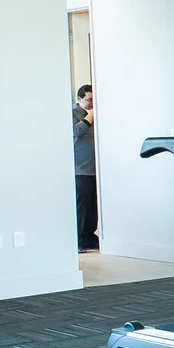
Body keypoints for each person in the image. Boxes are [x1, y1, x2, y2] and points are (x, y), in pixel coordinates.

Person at [73, 85, 99, 251]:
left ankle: (89, 237)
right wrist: (90, 116)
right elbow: (75, 132)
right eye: (89, 100)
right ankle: (79, 240)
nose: (91, 103)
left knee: (93, 207)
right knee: (81, 208)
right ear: (79, 99)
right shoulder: (73, 114)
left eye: (94, 100)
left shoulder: (99, 114)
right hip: (80, 170)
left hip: (96, 170)